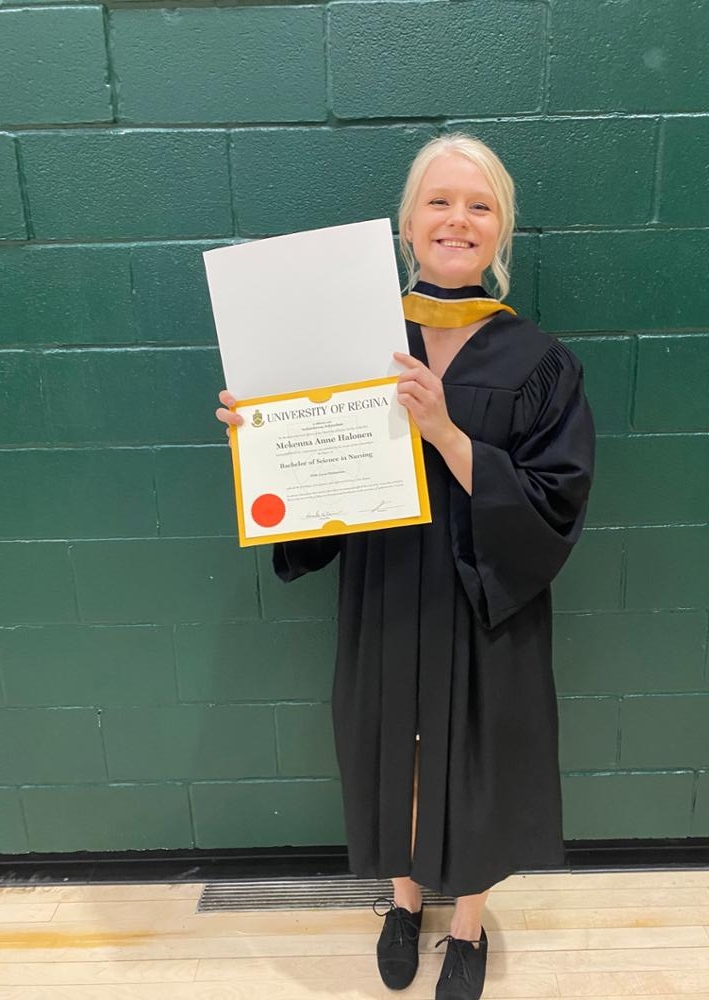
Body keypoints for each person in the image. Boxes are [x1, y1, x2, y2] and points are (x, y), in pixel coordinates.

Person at [216, 133, 596, 1000]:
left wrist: (450, 437)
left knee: (478, 756)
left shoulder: (539, 362)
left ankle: (465, 921)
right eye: (438, 200)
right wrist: (265, 436)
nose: (456, 219)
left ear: (501, 233)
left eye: (479, 205)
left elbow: (556, 502)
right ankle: (402, 898)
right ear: (407, 222)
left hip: (483, 594)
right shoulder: (353, 341)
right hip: (386, 586)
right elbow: (314, 483)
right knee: (391, 747)